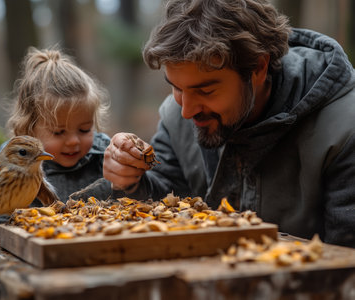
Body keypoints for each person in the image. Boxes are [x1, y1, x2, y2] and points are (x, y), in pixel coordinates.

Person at [103, 0, 355, 247]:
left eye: (206, 91)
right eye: (176, 88)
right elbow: (161, 200)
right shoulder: (176, 116)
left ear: (258, 67)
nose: (187, 111)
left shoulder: (344, 128)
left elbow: (345, 265)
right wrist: (129, 181)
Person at [0, 46, 112, 239]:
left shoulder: (104, 154)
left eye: (84, 129)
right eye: (59, 132)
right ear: (28, 131)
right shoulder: (9, 162)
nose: (74, 141)